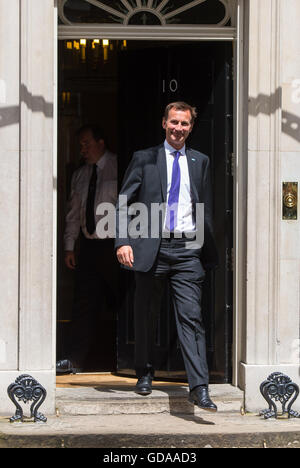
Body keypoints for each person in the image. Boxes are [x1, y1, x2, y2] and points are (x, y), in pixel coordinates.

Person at [115, 102, 218, 412]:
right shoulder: (144, 159)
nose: (178, 128)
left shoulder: (201, 161)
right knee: (145, 314)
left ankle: (199, 387)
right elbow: (123, 201)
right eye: (174, 122)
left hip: (187, 250)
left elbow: (205, 208)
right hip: (152, 248)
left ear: (190, 127)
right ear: (163, 123)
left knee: (191, 318)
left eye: (184, 124)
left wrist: (204, 246)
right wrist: (123, 241)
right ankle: (144, 373)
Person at [56, 124, 118, 374]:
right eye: (80, 145)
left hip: (116, 246)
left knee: (121, 300)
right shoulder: (80, 175)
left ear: (101, 142)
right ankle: (74, 359)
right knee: (83, 304)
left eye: (86, 143)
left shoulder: (119, 166)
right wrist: (69, 247)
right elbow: (73, 213)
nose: (82, 149)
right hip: (90, 246)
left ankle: (128, 360)